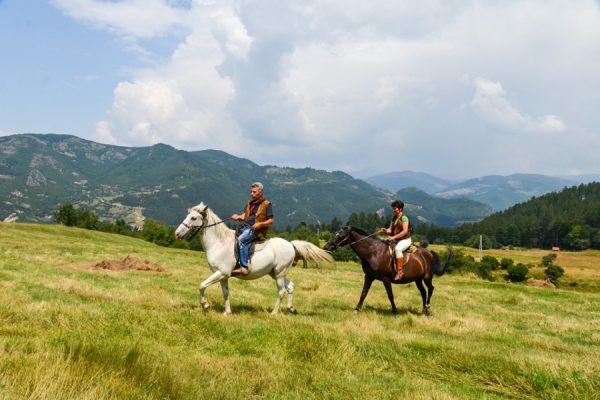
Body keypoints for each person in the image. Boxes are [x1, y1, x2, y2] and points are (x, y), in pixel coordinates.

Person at [230, 182, 274, 275]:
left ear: (260, 192)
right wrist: (238, 217)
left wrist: (260, 224)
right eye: (251, 192)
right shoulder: (250, 203)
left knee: (241, 240)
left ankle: (244, 267)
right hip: (245, 227)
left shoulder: (267, 204)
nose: (251, 194)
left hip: (256, 231)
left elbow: (271, 220)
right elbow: (244, 216)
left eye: (254, 192)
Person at [380, 200, 412, 281]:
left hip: (405, 240)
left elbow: (405, 231)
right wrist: (385, 231)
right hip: (396, 239)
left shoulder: (404, 218)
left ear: (400, 209)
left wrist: (393, 237)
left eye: (395, 208)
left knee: (398, 249)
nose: (394, 210)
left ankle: (400, 271)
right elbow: (390, 230)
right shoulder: (394, 218)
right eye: (393, 208)